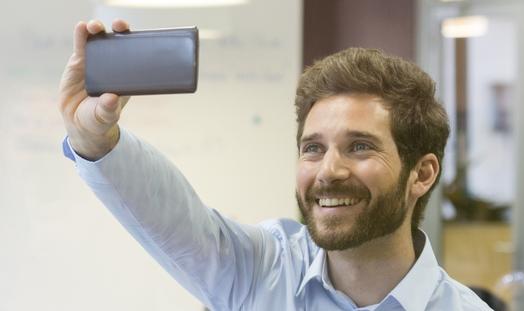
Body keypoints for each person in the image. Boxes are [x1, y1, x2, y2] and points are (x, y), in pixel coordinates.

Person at [59, 19, 493, 311]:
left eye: (359, 147)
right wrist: (94, 138)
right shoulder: (263, 269)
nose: (328, 171)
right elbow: (170, 216)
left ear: (422, 174)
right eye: (313, 148)